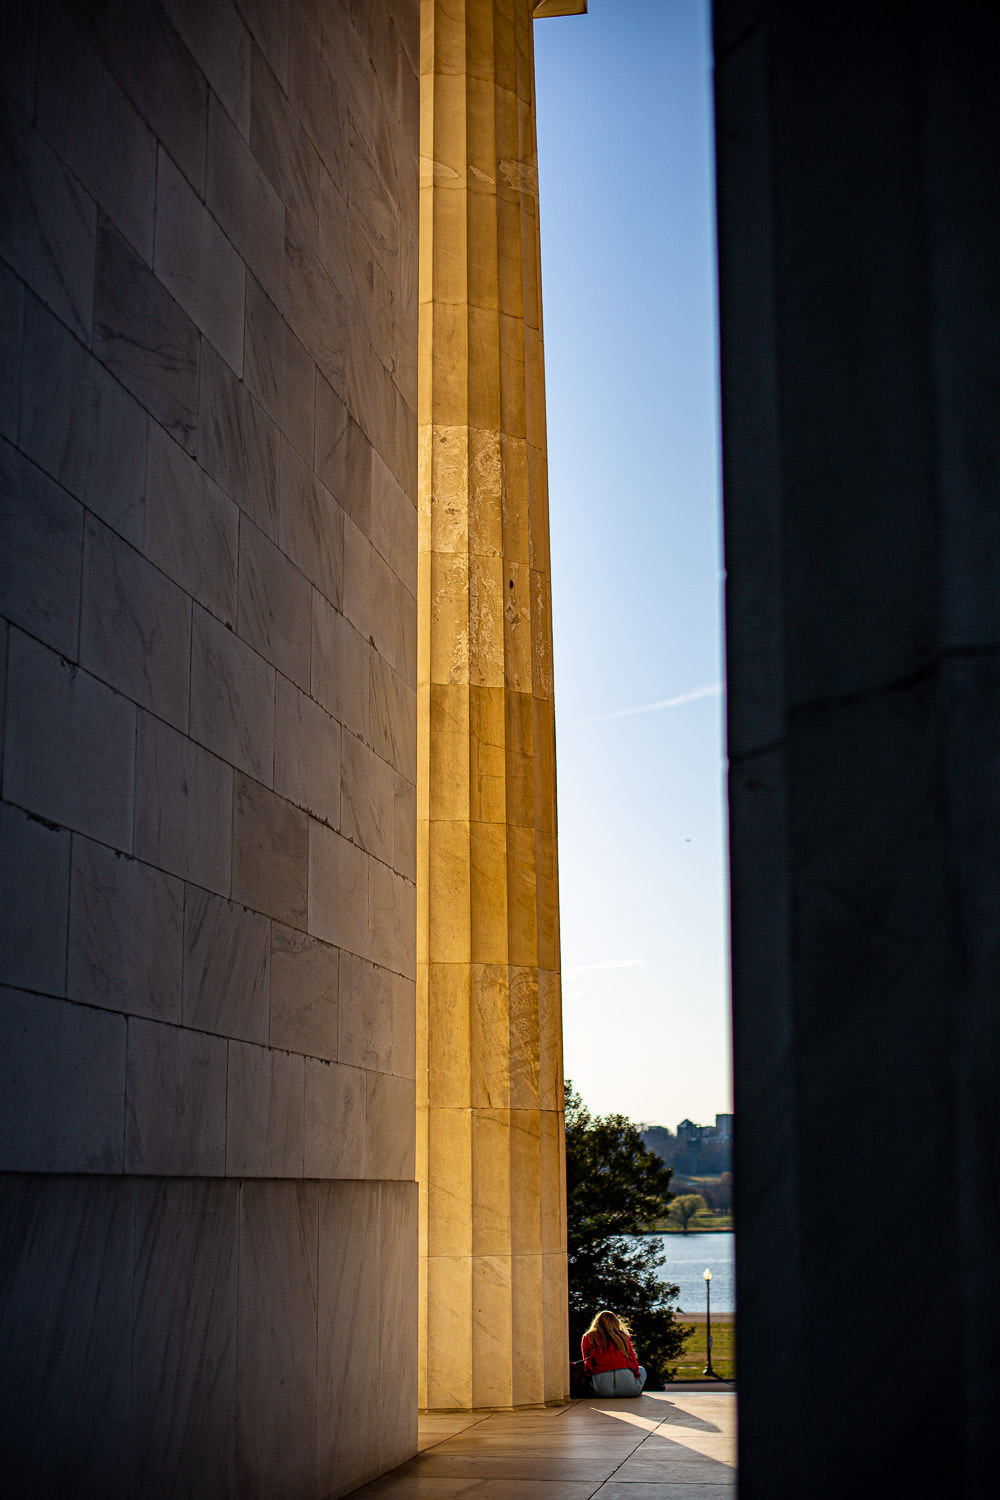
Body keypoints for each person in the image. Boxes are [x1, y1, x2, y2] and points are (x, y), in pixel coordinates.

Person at [580, 1310, 647, 1397]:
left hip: (600, 1391)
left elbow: (586, 1363)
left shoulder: (588, 1336)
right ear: (616, 1322)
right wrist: (635, 1375)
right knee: (641, 1369)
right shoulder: (623, 1336)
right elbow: (634, 1362)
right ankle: (634, 1386)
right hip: (630, 1392)